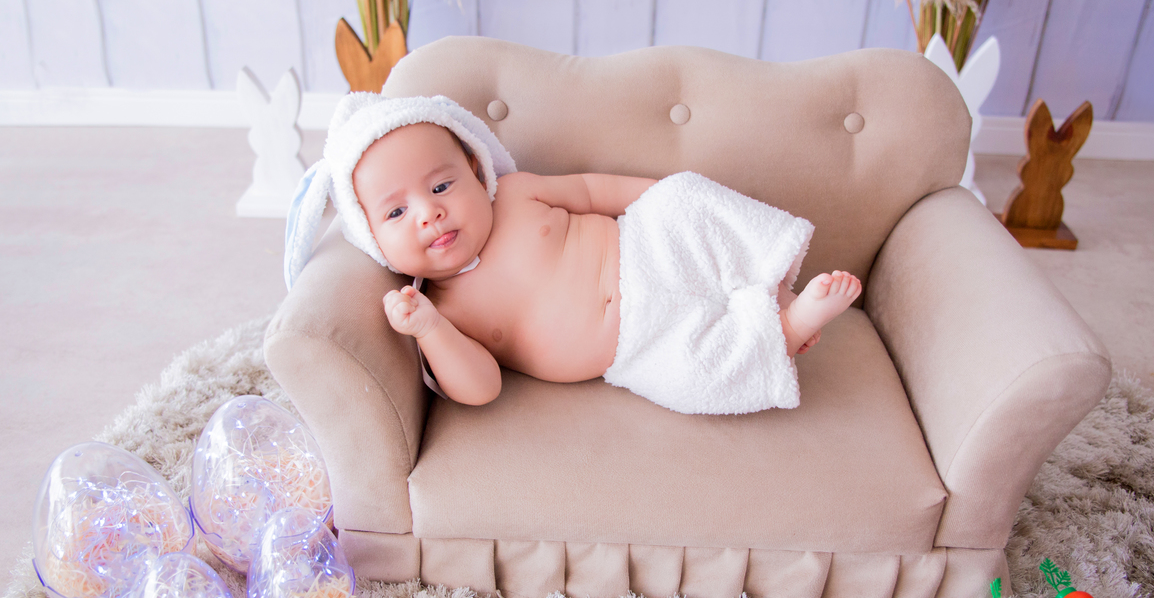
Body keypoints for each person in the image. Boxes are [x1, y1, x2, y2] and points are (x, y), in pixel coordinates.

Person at [285, 94, 861, 415]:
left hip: (647, 248)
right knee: (694, 382)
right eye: (395, 213)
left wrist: (657, 198)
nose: (429, 213)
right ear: (371, 239)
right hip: (637, 345)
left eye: (440, 187)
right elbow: (481, 387)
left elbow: (590, 191)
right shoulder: (444, 310)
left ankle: (772, 274)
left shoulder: (513, 195)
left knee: (687, 199)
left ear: (476, 171)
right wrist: (430, 330)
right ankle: (782, 327)